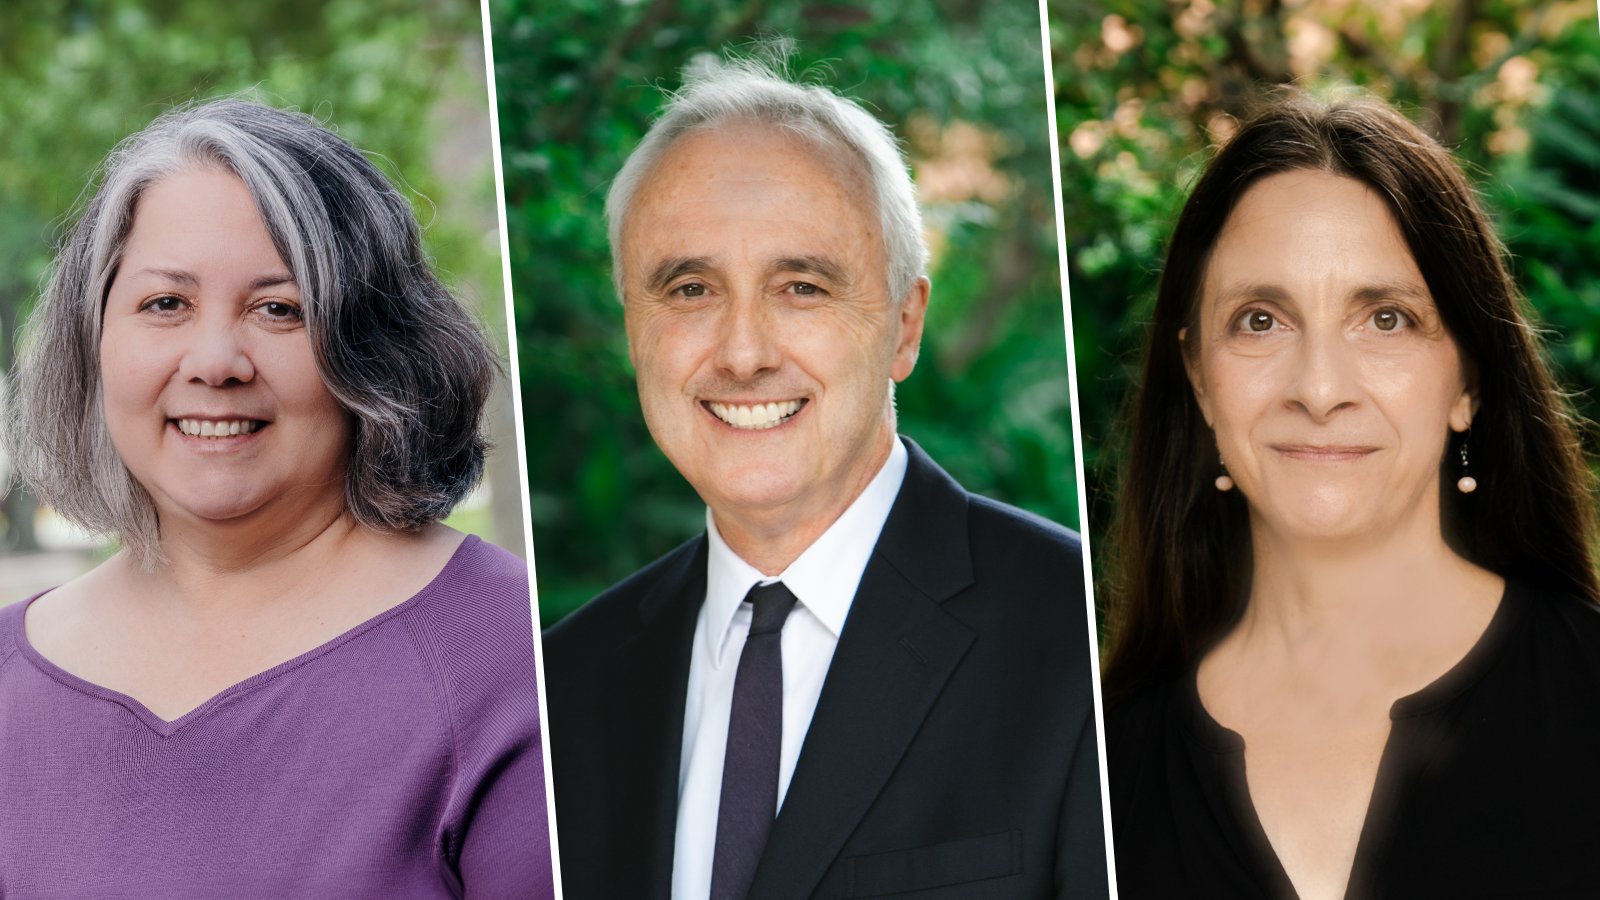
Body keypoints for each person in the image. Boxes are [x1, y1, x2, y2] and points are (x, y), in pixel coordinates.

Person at [540, 51, 1108, 900]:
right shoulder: (566, 686)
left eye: (801, 287)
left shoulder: (1081, 639)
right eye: (690, 289)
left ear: (904, 326)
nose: (742, 353)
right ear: (633, 330)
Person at [0, 99, 553, 899]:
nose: (216, 360)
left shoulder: (509, 662)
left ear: (374, 350)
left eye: (278, 309)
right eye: (166, 304)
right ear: (94, 341)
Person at [1103, 90, 1600, 898]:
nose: (1321, 387)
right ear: (1199, 377)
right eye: (1262, 321)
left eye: (1387, 320)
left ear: (1468, 377)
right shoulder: (1099, 774)